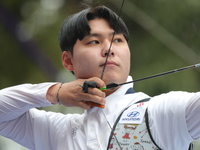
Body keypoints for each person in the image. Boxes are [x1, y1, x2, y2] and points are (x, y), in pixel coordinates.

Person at [0, 4, 200, 150]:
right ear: (68, 61)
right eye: (94, 41)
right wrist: (56, 92)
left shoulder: (160, 113)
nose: (109, 49)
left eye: (118, 40)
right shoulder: (58, 132)